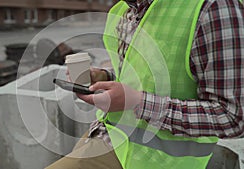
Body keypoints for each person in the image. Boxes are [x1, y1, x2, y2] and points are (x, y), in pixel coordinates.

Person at [46, 0, 244, 168]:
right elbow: (146, 75)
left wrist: (137, 102)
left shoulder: (213, 7)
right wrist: (105, 77)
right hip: (106, 134)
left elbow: (234, 116)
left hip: (155, 161)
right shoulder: (124, 10)